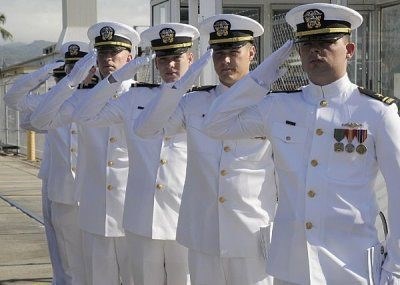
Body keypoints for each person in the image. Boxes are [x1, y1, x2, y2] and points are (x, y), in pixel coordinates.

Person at [203, 3, 400, 285]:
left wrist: (396, 267)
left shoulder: (377, 112)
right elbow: (214, 124)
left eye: (325, 42)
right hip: (293, 265)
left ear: (350, 50)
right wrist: (261, 76)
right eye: (306, 44)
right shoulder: (279, 106)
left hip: (350, 265)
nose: (314, 51)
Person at [134, 14, 278, 285]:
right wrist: (177, 87)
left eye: (234, 52)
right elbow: (146, 129)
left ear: (252, 53)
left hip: (252, 235)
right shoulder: (193, 102)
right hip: (204, 234)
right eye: (218, 53)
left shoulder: (272, 105)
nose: (225, 61)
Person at [73, 22, 201, 285]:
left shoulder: (203, 102)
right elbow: (84, 114)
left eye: (176, 58)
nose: (170, 66)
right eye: (163, 59)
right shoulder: (136, 98)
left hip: (185, 218)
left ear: (191, 58)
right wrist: (115, 79)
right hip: (142, 218)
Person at [29, 21, 140, 285]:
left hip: (132, 215)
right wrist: (71, 80)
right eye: (102, 53)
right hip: (95, 216)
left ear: (130, 57)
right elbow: (40, 121)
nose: (108, 59)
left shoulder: (144, 97)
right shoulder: (81, 99)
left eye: (115, 53)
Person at [3, 59, 67, 285]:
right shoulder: (49, 100)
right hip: (54, 178)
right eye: (62, 74)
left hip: (88, 184)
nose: (65, 80)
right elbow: (12, 99)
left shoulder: (94, 100)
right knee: (56, 242)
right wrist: (46, 71)